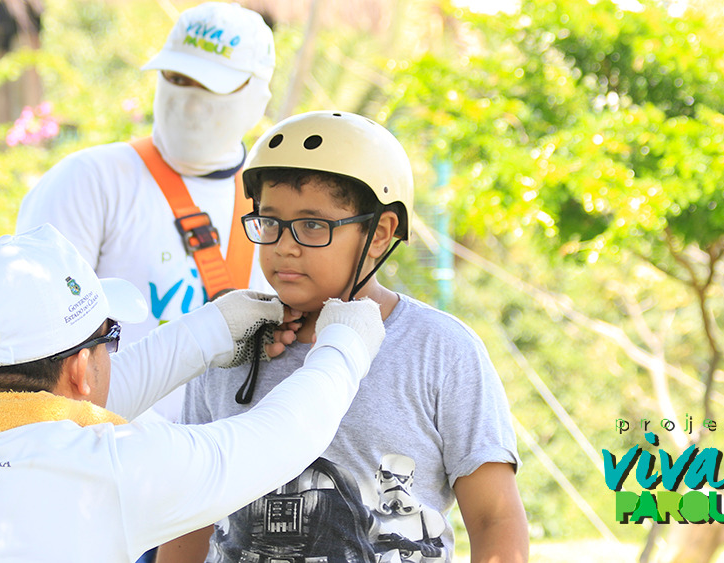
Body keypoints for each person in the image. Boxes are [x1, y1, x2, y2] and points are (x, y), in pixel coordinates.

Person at [0, 223, 387, 562]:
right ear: (82, 368)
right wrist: (345, 346)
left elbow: (41, 417)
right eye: (112, 340)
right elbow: (275, 442)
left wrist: (209, 331)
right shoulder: (110, 471)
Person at [159, 111, 529, 562]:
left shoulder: (439, 350)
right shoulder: (230, 349)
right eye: (270, 221)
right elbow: (190, 510)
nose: (284, 245)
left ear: (380, 234)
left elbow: (496, 518)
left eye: (313, 225)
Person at [16, 1, 276, 423]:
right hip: (111, 464)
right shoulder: (89, 181)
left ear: (257, 96)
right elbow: (34, 356)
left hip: (234, 468)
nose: (190, 103)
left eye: (212, 86)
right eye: (177, 77)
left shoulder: (277, 205)